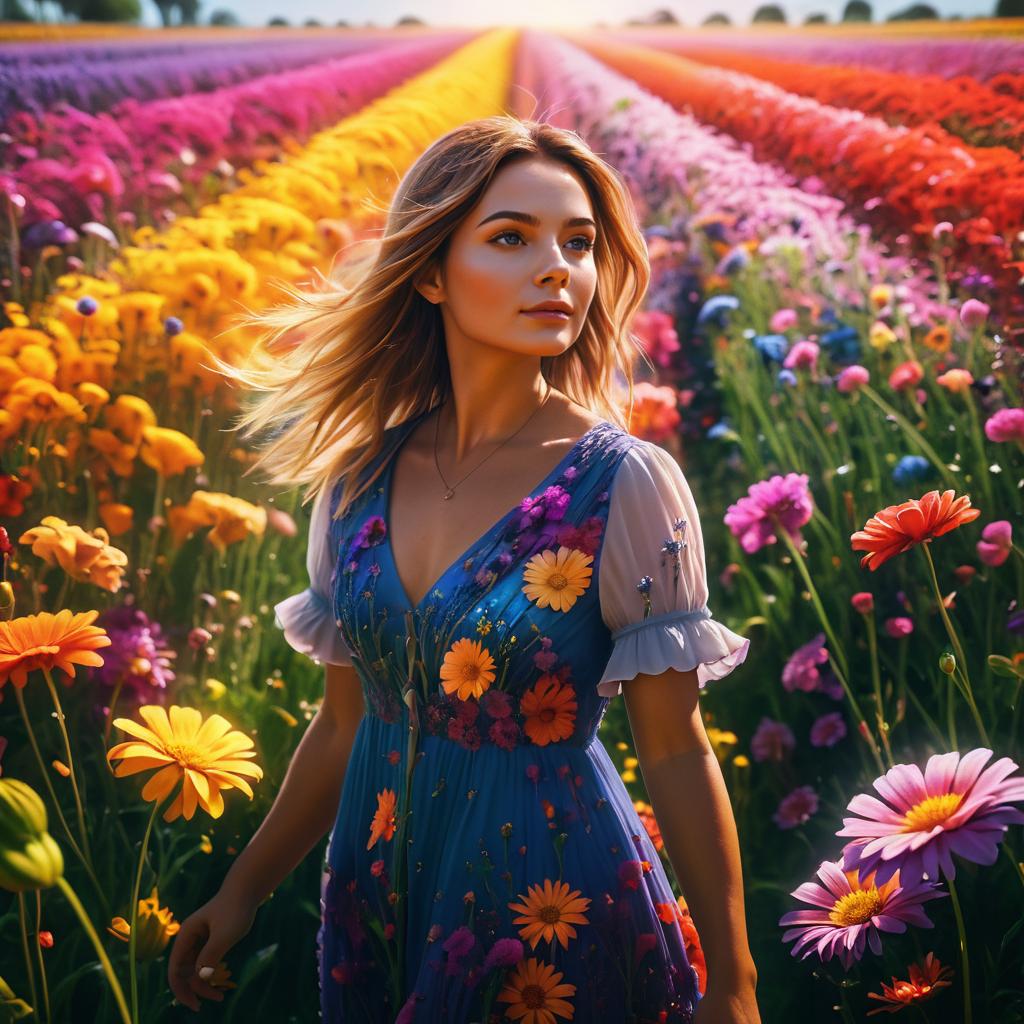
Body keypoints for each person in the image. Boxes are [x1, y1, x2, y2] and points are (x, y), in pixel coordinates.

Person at [168, 116, 758, 1024]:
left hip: (546, 904)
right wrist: (244, 890)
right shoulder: (356, 476)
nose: (557, 266)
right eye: (512, 238)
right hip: (373, 899)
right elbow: (341, 722)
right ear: (432, 272)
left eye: (580, 243)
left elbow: (675, 746)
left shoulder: (623, 483)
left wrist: (733, 981)